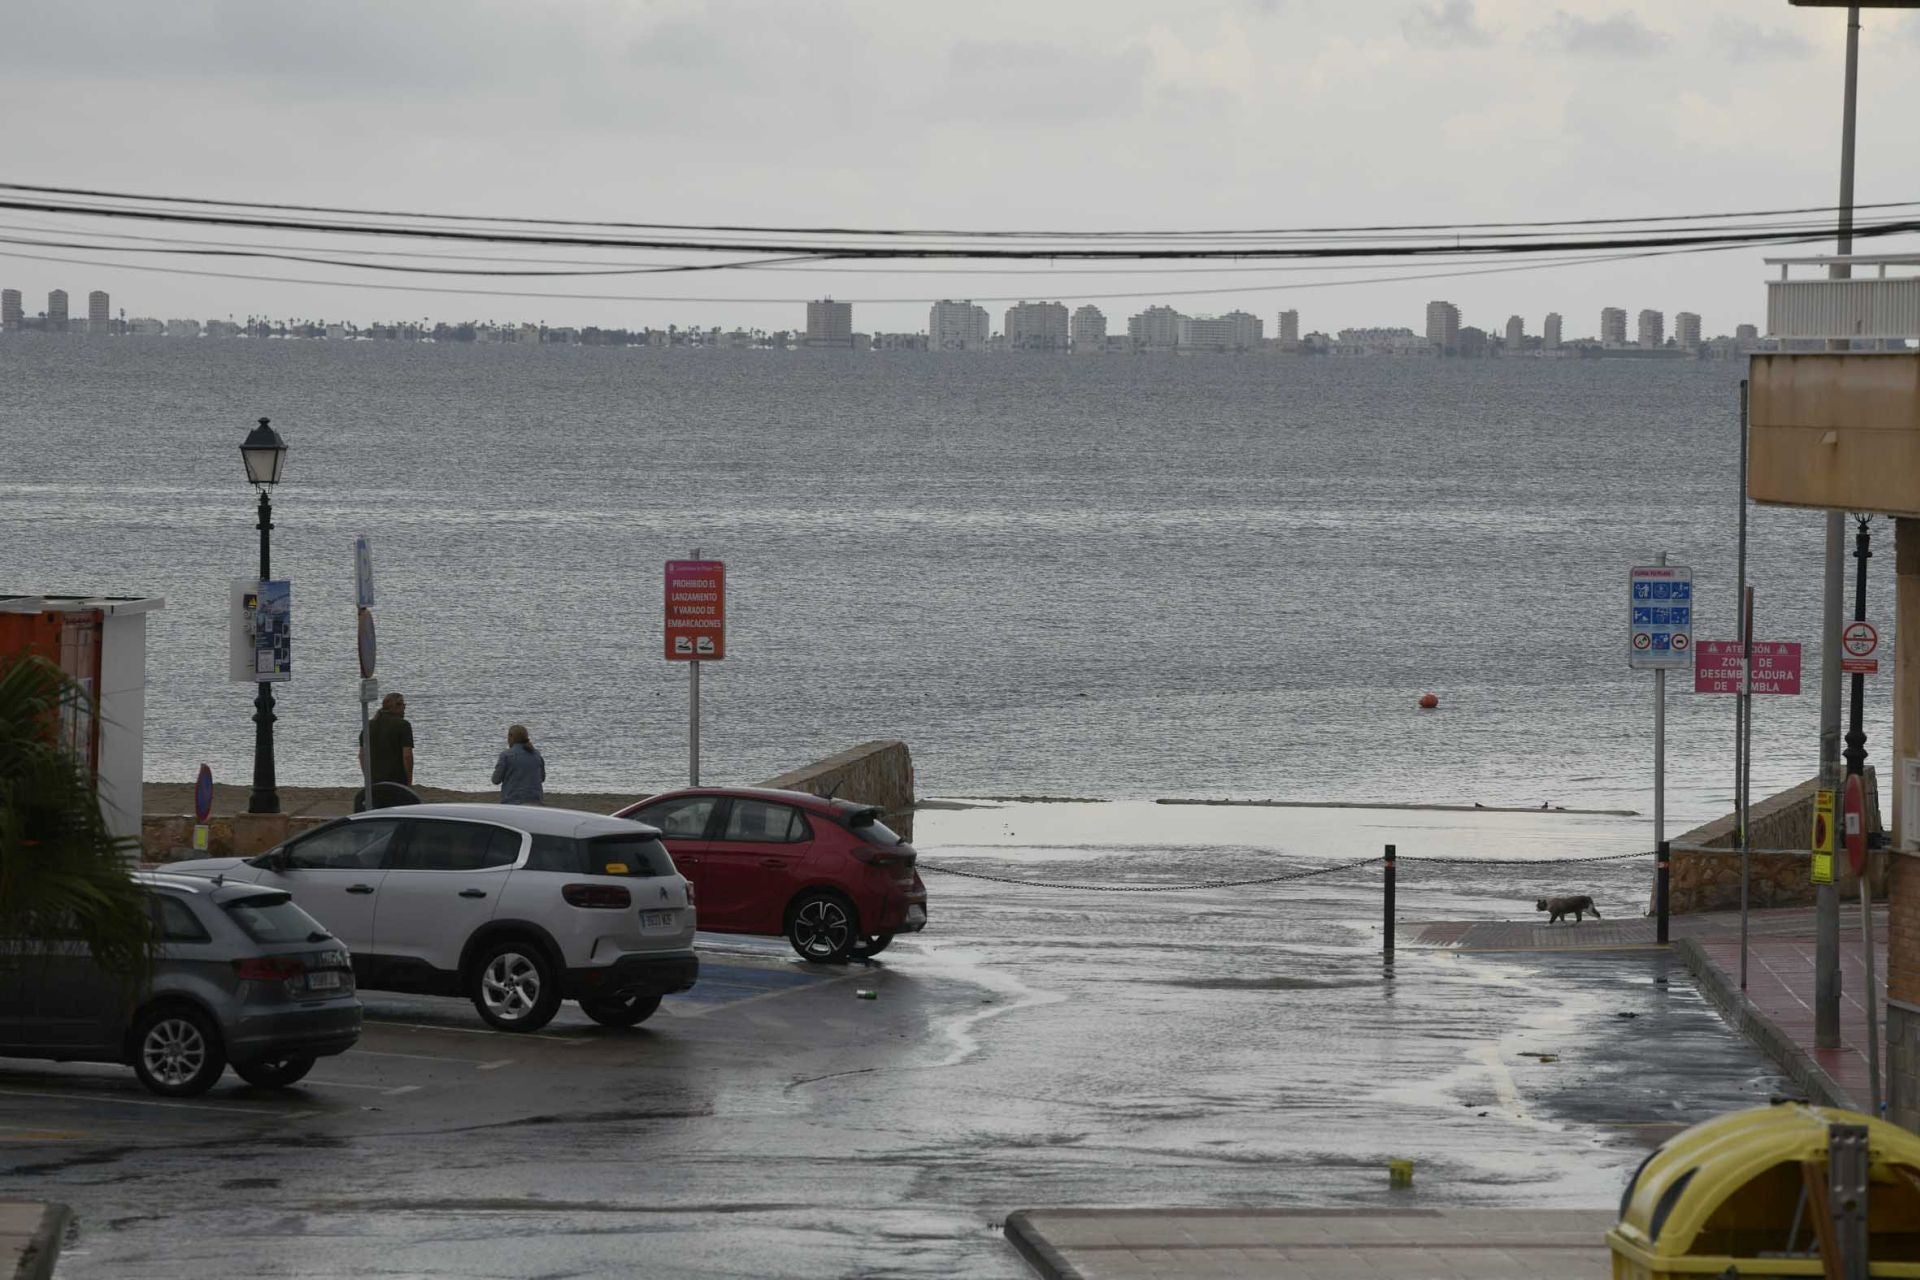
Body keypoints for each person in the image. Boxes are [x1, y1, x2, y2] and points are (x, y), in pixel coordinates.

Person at [357, 692, 415, 807]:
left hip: (375, 782)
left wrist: (368, 778)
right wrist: (409, 782)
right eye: (404, 705)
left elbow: (362, 755)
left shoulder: (368, 725)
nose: (404, 708)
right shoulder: (403, 725)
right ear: (397, 706)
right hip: (397, 781)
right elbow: (407, 756)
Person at [492, 724, 545, 805]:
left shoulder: (506, 755)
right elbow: (542, 778)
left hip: (512, 801)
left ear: (511, 736)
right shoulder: (536, 754)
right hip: (536, 801)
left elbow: (495, 780)